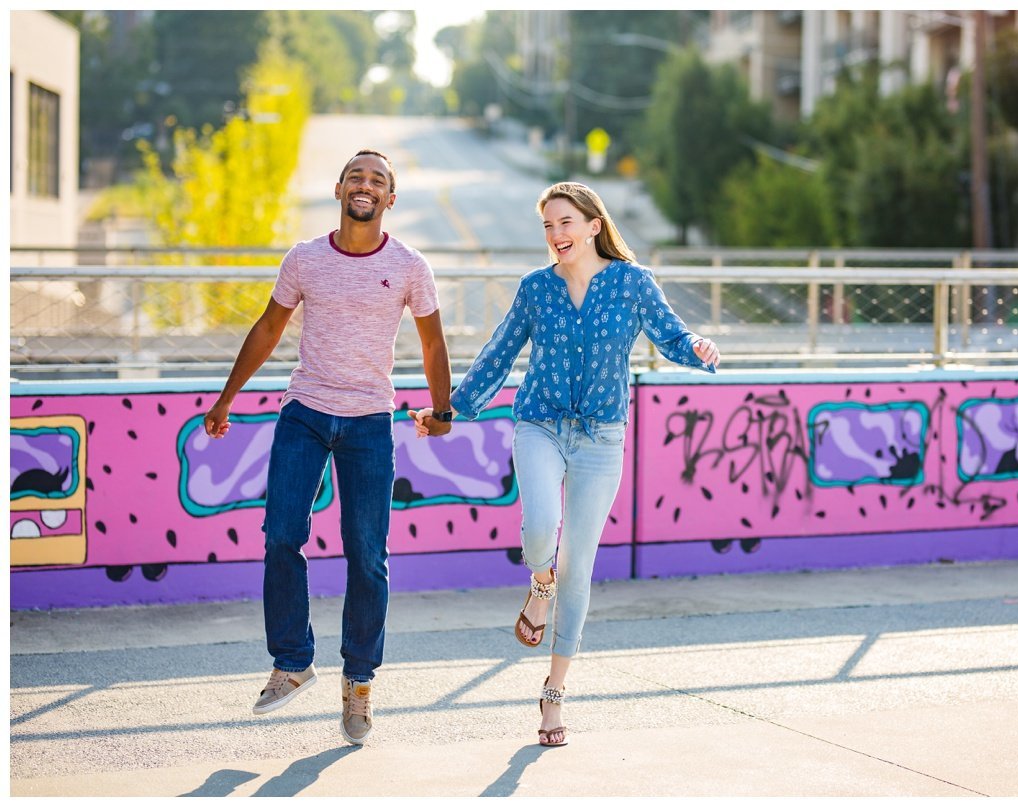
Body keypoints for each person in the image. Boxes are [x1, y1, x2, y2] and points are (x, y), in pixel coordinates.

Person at [411, 181, 719, 747]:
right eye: (549, 227)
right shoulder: (535, 290)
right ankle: (539, 581)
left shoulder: (632, 284)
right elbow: (498, 354)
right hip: (540, 425)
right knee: (537, 534)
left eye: (566, 224)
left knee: (580, 565)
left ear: (593, 225)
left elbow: (671, 334)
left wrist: (696, 346)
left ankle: (553, 695)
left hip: (602, 439)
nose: (556, 236)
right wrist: (448, 411)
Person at [203, 149, 453, 746]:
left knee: (366, 555)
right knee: (282, 533)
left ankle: (359, 682)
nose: (366, 185)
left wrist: (442, 413)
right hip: (305, 412)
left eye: (379, 180)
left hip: (369, 420)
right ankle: (292, 662)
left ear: (391, 199)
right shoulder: (306, 258)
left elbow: (433, 344)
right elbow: (267, 327)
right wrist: (225, 398)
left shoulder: (410, 265)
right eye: (357, 176)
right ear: (340, 188)